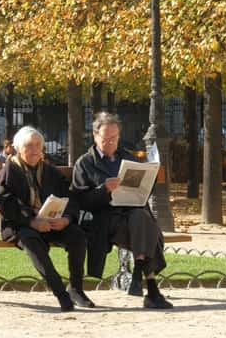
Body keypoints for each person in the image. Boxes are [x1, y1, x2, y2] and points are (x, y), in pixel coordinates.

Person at [71, 112, 173, 309]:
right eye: (105, 138)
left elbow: (144, 188)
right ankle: (150, 288)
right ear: (95, 136)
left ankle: (140, 276)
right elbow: (80, 200)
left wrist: (146, 182)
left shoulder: (127, 157)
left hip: (132, 213)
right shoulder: (84, 163)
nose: (110, 142)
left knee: (140, 217)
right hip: (105, 219)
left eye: (114, 138)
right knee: (146, 227)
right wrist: (104, 190)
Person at [0, 126, 94, 312]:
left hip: (52, 223)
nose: (34, 149)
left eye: (38, 145)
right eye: (29, 145)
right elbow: (7, 205)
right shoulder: (9, 171)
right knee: (31, 241)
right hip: (21, 225)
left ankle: (75, 289)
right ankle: (61, 294)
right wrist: (32, 222)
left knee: (77, 235)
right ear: (17, 148)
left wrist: (66, 219)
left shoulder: (49, 170)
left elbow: (70, 197)